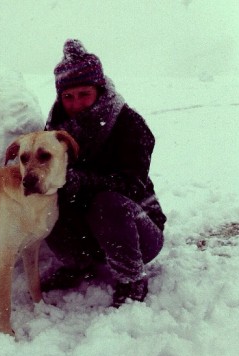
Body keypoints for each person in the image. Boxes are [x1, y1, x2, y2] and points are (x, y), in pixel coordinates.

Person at [42, 39, 167, 307]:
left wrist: (80, 182)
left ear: (99, 89)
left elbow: (132, 184)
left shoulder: (128, 124)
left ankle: (132, 276)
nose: (76, 104)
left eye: (84, 94)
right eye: (68, 97)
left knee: (106, 202)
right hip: (90, 234)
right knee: (46, 197)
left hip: (139, 233)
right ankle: (78, 264)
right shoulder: (56, 129)